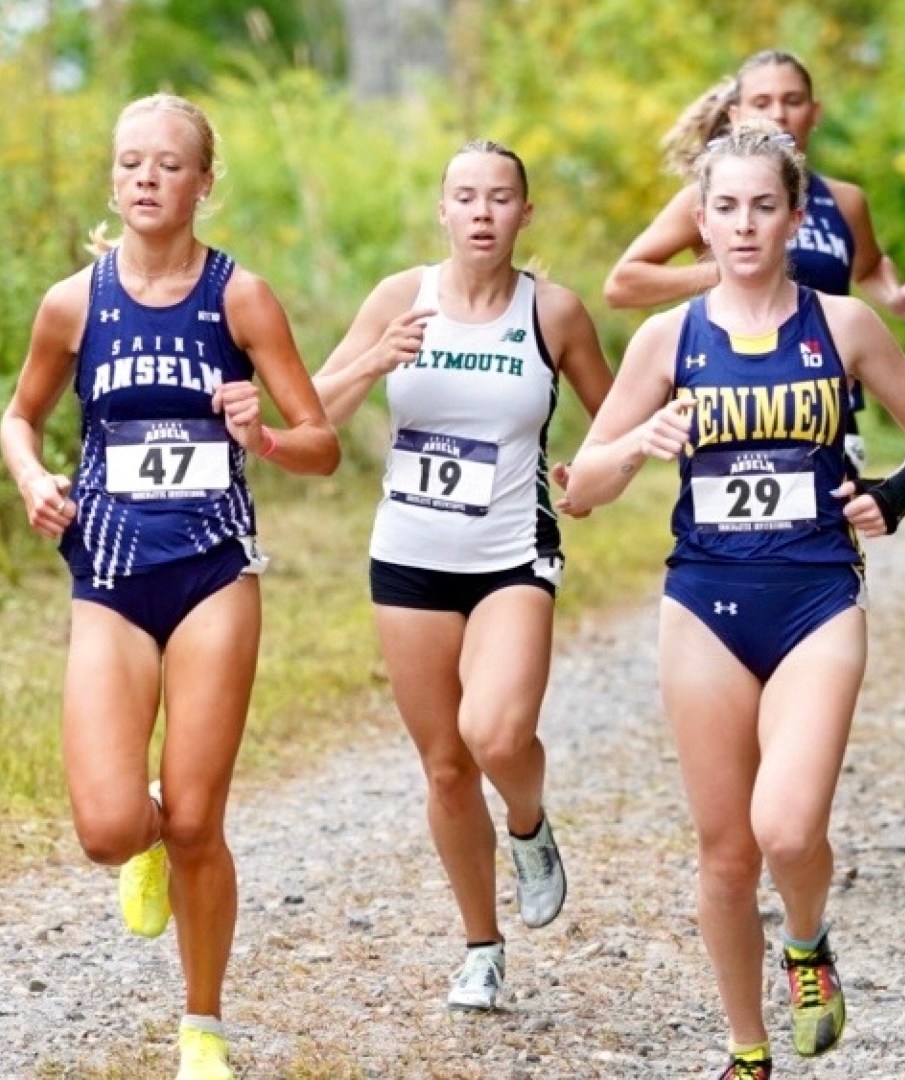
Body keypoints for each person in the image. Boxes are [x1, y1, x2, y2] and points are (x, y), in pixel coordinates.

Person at [564, 121, 905, 1080]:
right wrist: (636, 443)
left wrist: (895, 496)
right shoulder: (668, 337)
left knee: (787, 827)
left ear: (794, 217)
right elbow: (580, 488)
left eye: (763, 207)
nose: (743, 225)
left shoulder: (844, 324)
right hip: (703, 605)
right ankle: (747, 1052)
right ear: (700, 222)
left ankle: (809, 945)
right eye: (726, 208)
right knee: (727, 852)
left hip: (818, 596)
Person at [0, 93, 341, 1080]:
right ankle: (142, 845)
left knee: (198, 819)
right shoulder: (74, 302)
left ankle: (202, 1028)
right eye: (130, 163)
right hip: (106, 571)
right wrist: (33, 479)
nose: (146, 178)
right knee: (113, 829)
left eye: (167, 164)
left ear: (202, 183)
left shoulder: (241, 298)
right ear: (114, 179)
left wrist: (263, 434)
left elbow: (319, 444)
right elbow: (18, 418)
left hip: (212, 571)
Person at [311, 140, 613, 1013]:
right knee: (445, 768)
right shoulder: (398, 299)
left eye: (501, 198)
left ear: (524, 214)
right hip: (408, 557)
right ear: (442, 212)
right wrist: (374, 360)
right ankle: (482, 948)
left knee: (497, 734)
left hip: (512, 554)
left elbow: (619, 411)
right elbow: (310, 416)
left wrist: (593, 478)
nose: (482, 213)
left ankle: (528, 823)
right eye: (466, 197)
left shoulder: (552, 313)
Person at [604, 49, 905, 472]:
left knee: (826, 525)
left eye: (793, 101)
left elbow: (869, 266)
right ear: (736, 115)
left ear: (815, 113)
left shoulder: (845, 200)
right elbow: (622, 284)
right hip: (735, 405)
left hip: (823, 408)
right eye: (763, 103)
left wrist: (896, 297)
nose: (779, 114)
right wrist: (726, 273)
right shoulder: (711, 201)